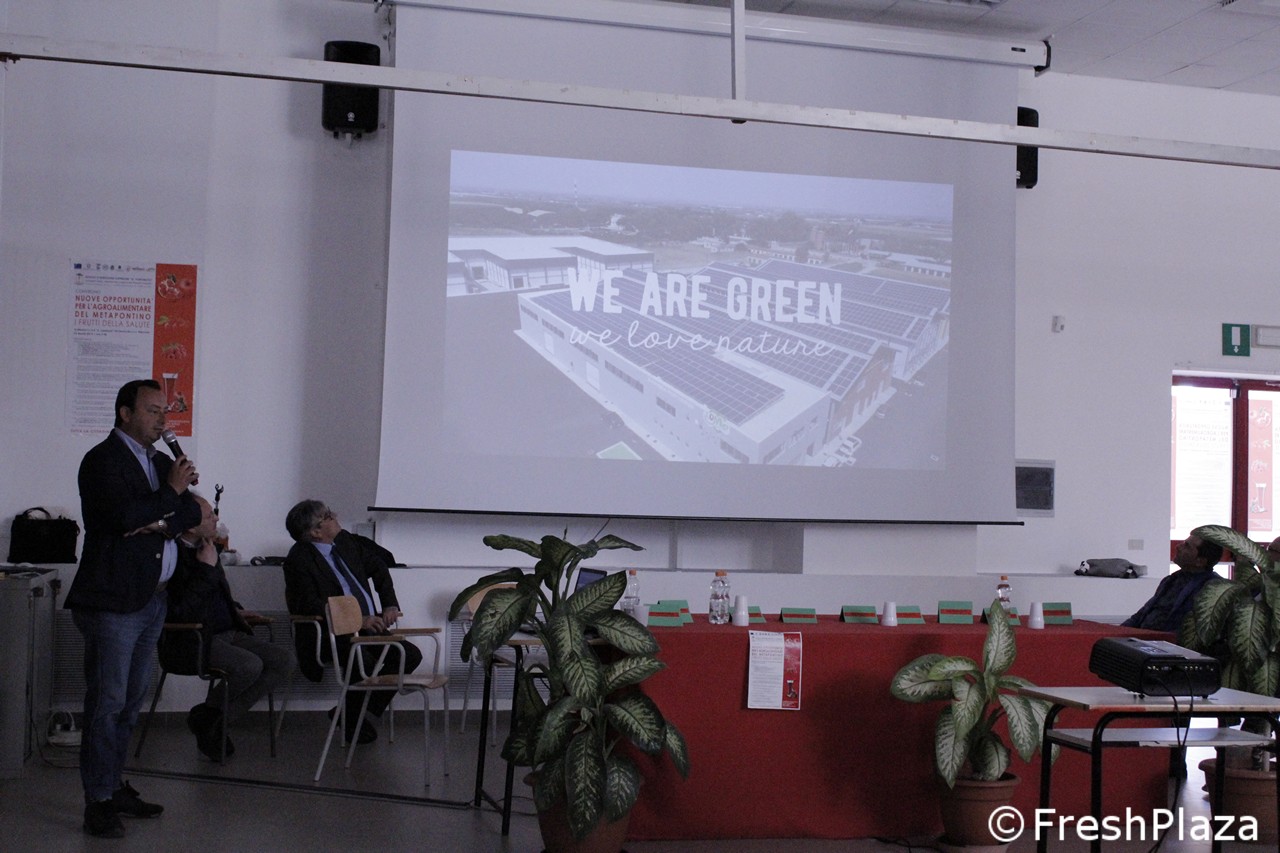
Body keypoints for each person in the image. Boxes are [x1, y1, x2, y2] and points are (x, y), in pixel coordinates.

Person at [66, 379, 201, 837]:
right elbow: (120, 518)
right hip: (112, 602)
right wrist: (168, 497)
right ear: (125, 413)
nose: (162, 420)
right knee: (107, 704)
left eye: (165, 411)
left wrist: (159, 520)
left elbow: (194, 514)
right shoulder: (101, 460)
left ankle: (113, 785)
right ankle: (98, 801)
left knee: (129, 704)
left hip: (152, 600)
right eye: (152, 410)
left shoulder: (161, 461)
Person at [282, 499, 421, 744]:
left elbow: (379, 566)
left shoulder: (344, 542)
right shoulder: (298, 559)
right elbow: (308, 604)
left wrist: (389, 604)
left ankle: (349, 713)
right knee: (361, 659)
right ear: (315, 532)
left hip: (367, 628)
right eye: (327, 516)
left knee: (408, 655)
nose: (335, 515)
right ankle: (352, 717)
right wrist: (357, 620)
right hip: (331, 633)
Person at [166, 494, 292, 761]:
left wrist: (235, 609)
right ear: (190, 525)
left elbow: (213, 595)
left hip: (229, 631)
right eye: (209, 515)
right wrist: (206, 568)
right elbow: (181, 610)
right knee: (249, 665)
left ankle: (211, 719)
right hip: (194, 638)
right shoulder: (171, 555)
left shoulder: (209, 548)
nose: (217, 519)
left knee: (284, 661)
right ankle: (212, 721)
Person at [1121, 533, 1224, 631]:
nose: (1178, 547)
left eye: (1187, 546)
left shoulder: (1212, 588)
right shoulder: (1171, 580)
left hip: (1165, 641)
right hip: (1143, 637)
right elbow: (1141, 615)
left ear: (1200, 561)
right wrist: (1119, 632)